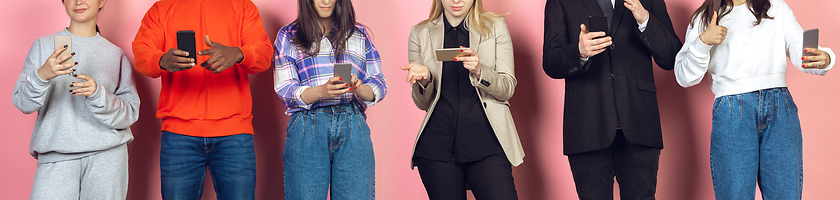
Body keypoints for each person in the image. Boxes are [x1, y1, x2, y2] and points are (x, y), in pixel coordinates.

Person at [675, 0, 834, 199]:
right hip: (731, 113)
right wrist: (702, 42)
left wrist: (825, 58)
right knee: (735, 195)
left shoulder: (776, 7)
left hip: (780, 109)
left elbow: (800, 49)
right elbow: (684, 76)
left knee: (786, 195)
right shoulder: (705, 17)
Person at [131, 0, 273, 199]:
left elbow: (264, 54)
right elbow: (141, 52)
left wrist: (238, 53)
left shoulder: (242, 6)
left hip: (234, 133)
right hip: (179, 134)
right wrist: (162, 60)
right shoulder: (161, 9)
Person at [542, 0, 682, 199]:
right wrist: (579, 52)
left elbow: (671, 56)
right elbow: (550, 61)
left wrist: (645, 20)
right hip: (587, 126)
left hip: (639, 122)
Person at [12, 0, 139, 199]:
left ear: (102, 1)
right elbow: (22, 103)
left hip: (107, 157)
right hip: (56, 156)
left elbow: (130, 114)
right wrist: (42, 75)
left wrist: (98, 94)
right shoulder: (43, 46)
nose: (78, 1)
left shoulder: (116, 55)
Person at [400, 0, 523, 199]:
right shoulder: (419, 33)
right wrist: (425, 80)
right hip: (437, 147)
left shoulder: (496, 27)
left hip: (487, 141)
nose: (456, 0)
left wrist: (480, 70)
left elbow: (507, 88)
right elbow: (422, 103)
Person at [273, 0, 387, 199]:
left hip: (353, 125)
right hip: (307, 125)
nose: (325, 1)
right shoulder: (289, 35)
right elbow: (285, 88)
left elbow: (378, 83)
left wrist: (359, 89)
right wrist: (322, 92)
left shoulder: (359, 34)